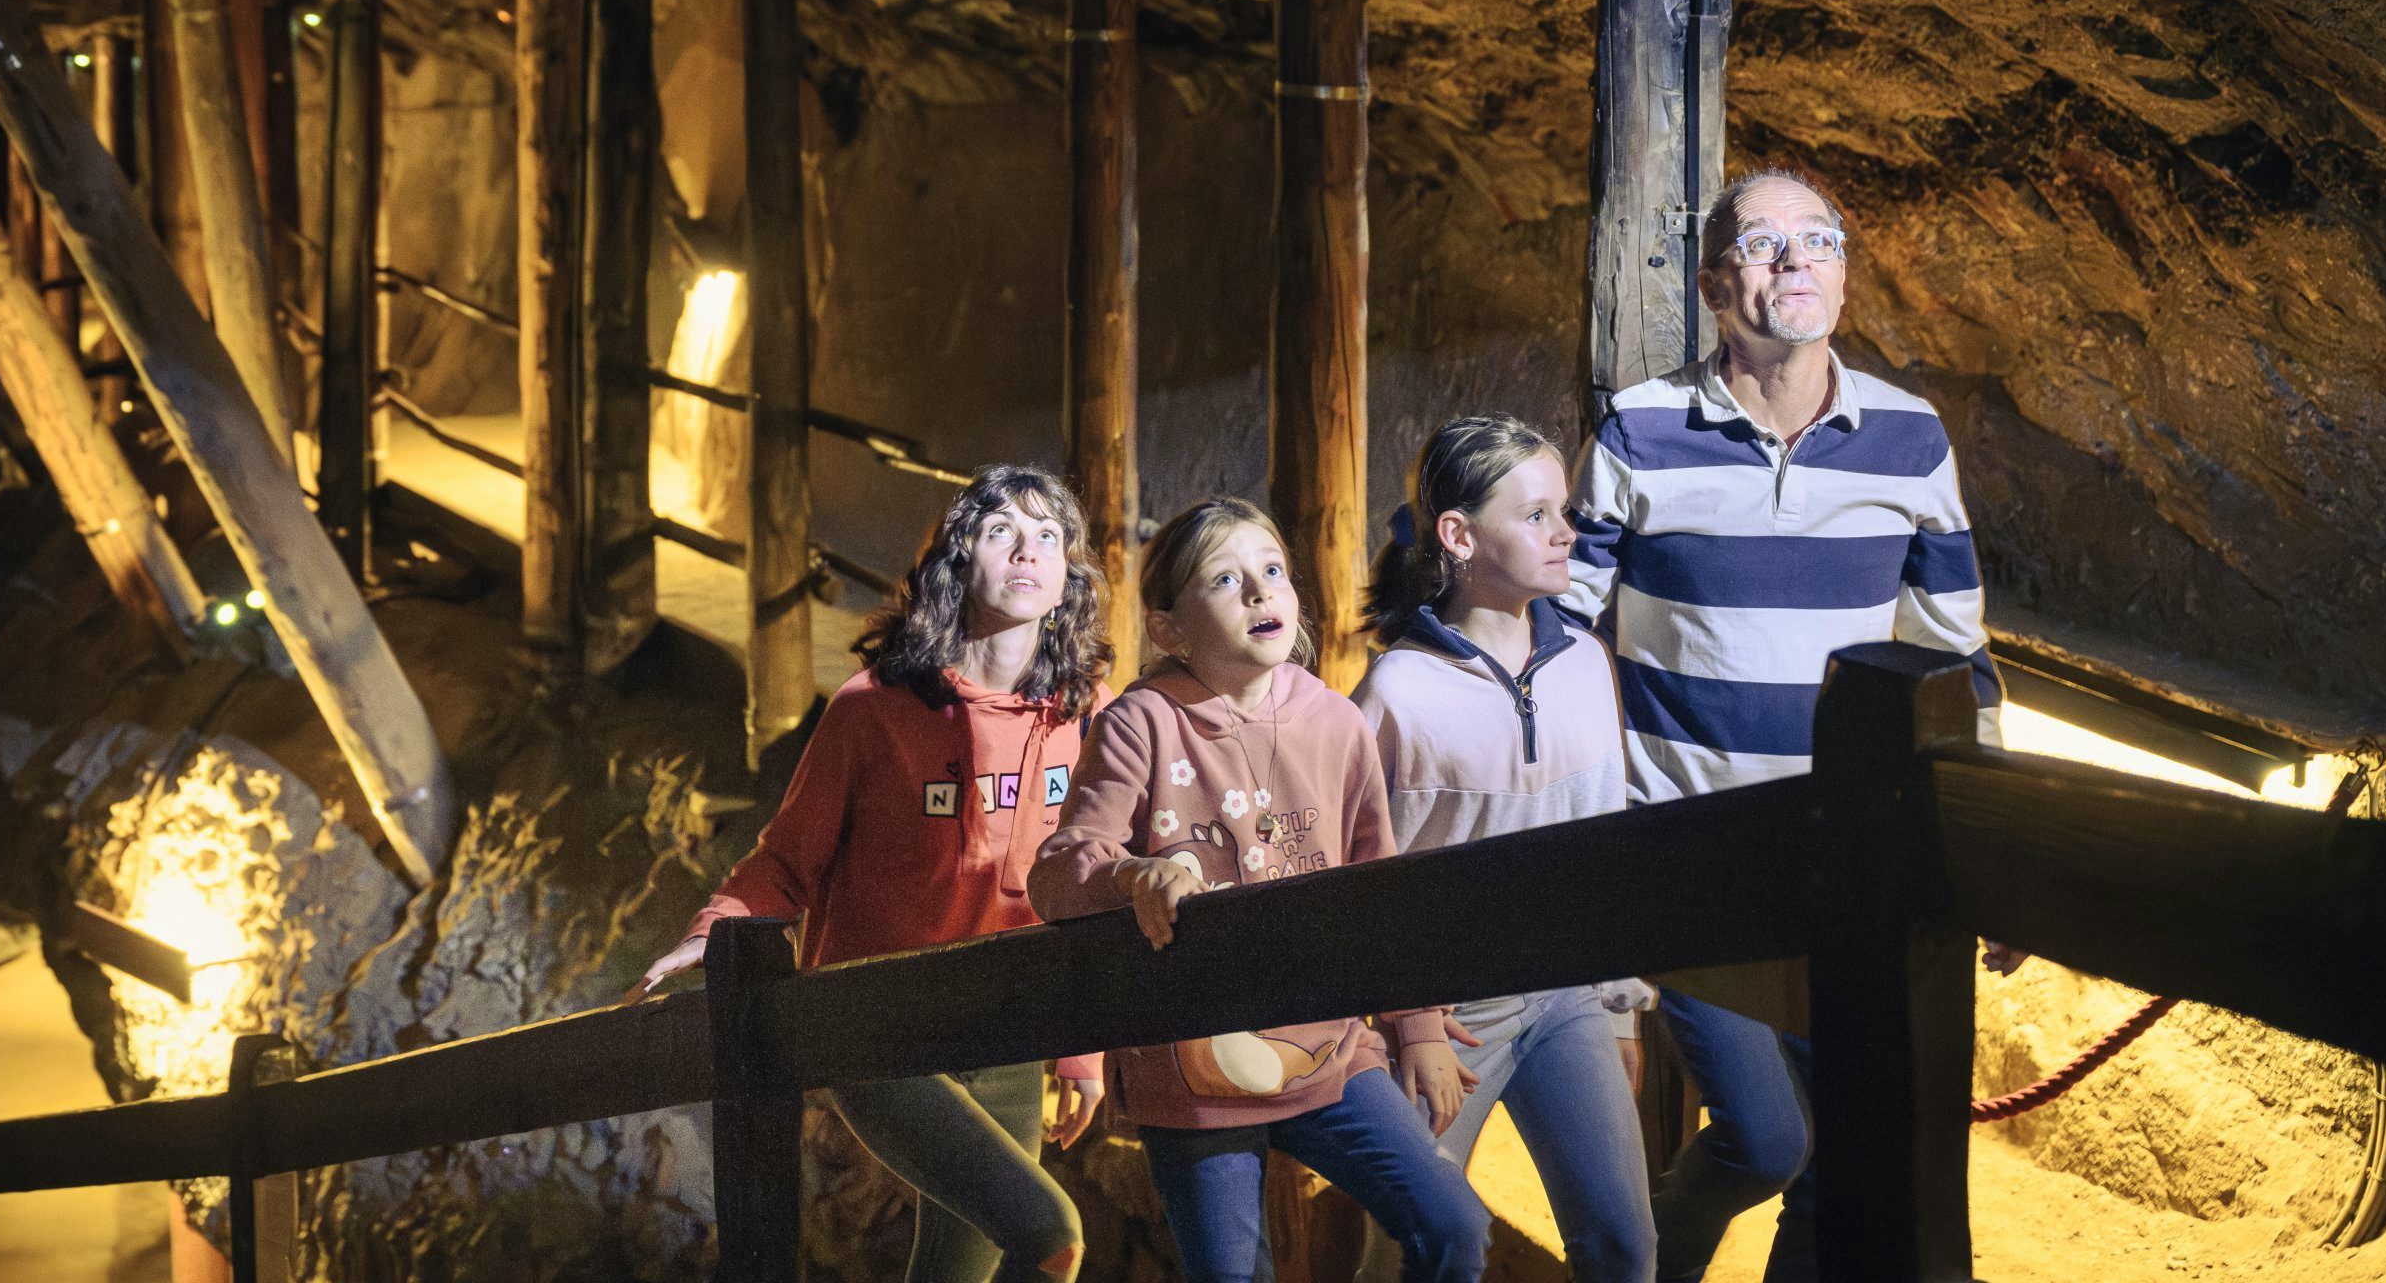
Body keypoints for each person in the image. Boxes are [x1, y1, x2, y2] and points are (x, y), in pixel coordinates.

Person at [1563, 168, 2007, 1283]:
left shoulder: (1907, 440)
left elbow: (1954, 654)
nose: (1793, 261)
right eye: (1762, 246)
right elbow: (1557, 639)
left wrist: (1984, 847)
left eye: (1817, 241)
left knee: (1836, 1158)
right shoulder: (1638, 431)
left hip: (1844, 857)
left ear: (1843, 278)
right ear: (1715, 285)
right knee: (1765, 1137)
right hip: (1688, 850)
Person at [628, 463, 1106, 1283]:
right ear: (960, 560)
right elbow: (786, 860)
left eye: (1048, 538)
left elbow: (1087, 882)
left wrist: (1083, 1051)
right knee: (1050, 1233)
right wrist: (709, 934)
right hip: (872, 1018)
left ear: (1067, 578)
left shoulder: (1085, 713)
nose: (1028, 552)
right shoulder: (874, 707)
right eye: (1002, 534)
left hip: (1012, 1021)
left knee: (956, 1267)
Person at [1030, 497, 1491, 1283]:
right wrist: (1128, 872)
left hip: (1332, 1050)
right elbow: (1057, 870)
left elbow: (1377, 889)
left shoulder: (1336, 723)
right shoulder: (1142, 723)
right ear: (1170, 629)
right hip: (1190, 1069)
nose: (1260, 592)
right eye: (1225, 578)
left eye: (1272, 571)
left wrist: (1417, 1028)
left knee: (1454, 1226)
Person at [1355, 415, 1656, 1283]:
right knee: (1421, 1249)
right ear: (1457, 535)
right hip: (1449, 1019)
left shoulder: (1586, 666)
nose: (1567, 532)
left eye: (1564, 512)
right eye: (1536, 516)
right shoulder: (1396, 694)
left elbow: (1606, 847)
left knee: (1624, 1248)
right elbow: (1358, 880)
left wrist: (1620, 1003)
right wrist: (1408, 1025)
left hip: (1567, 1001)